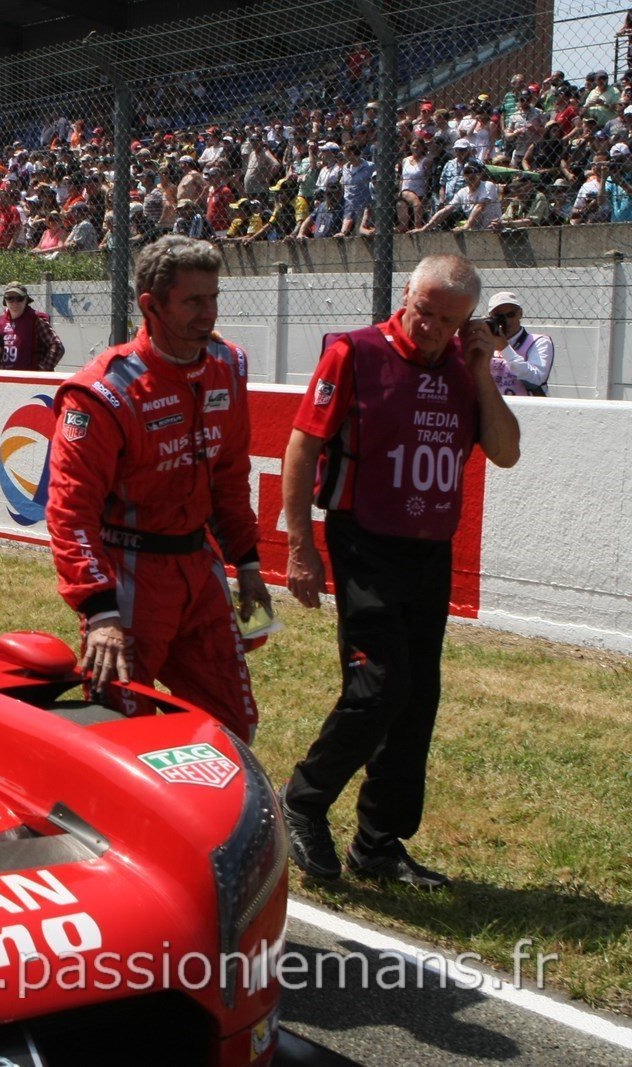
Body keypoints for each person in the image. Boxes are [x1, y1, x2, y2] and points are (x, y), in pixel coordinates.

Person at [280, 253, 521, 890]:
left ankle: (379, 844)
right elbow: (302, 445)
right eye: (424, 312)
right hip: (365, 542)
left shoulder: (465, 367)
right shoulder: (354, 353)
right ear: (406, 295)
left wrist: (481, 370)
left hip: (430, 550)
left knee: (417, 699)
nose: (432, 329)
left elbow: (505, 452)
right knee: (379, 686)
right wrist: (300, 545)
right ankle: (302, 800)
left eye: (449, 321)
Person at [45, 236, 268, 742]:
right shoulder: (103, 391)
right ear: (151, 305)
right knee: (121, 735)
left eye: (213, 298)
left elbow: (231, 474)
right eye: (193, 301)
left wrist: (249, 562)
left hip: (200, 567)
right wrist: (100, 611)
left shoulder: (228, 365)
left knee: (234, 729)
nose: (209, 313)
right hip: (129, 577)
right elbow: (70, 510)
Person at [485, 291, 553, 396]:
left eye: (510, 315)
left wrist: (505, 349)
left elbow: (536, 379)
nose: (506, 321)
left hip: (525, 404)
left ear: (520, 313)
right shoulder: (486, 342)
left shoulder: (538, 341)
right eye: (499, 317)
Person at [0, 282, 64, 371]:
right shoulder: (1, 323)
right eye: (10, 298)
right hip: (6, 376)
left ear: (26, 300)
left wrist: (42, 371)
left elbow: (57, 346)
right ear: (5, 300)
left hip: (30, 377)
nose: (15, 302)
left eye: (19, 298)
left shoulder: (36, 320)